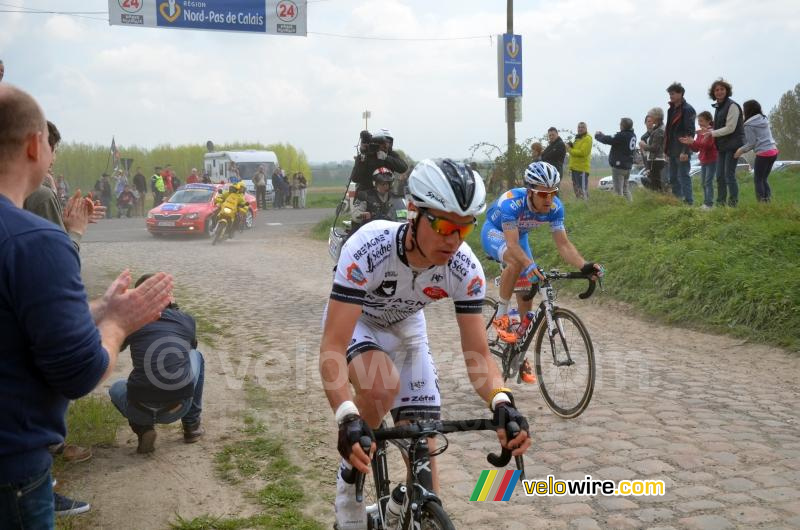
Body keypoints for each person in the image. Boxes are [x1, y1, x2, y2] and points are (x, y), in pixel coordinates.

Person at [321, 159, 531, 530]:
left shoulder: (464, 268)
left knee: (424, 455)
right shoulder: (369, 247)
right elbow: (333, 347)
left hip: (406, 327)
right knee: (381, 386)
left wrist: (501, 401)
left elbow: (479, 356)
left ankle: (405, 507)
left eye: (465, 228)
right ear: (414, 211)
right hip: (360, 322)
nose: (454, 240)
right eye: (445, 226)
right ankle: (349, 478)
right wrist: (347, 417)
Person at [0, 83, 173, 528]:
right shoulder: (35, 239)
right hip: (11, 467)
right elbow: (78, 372)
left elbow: (16, 319)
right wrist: (117, 324)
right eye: (50, 145)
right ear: (34, 145)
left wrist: (95, 309)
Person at [480, 161, 603, 377]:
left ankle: (518, 353)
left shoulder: (555, 207)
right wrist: (529, 264)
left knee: (527, 294)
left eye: (553, 192)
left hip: (520, 236)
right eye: (543, 194)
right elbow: (512, 245)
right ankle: (501, 316)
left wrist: (583, 265)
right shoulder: (512, 203)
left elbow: (563, 244)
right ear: (530, 192)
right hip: (496, 233)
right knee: (517, 262)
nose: (549, 199)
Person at [109, 275, 204, 453]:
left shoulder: (133, 321)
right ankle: (192, 426)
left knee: (116, 387)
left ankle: (144, 429)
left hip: (138, 408)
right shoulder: (185, 319)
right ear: (168, 297)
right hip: (178, 407)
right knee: (196, 355)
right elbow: (192, 346)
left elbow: (116, 348)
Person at [705, 78, 744, 207]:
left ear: (727, 91)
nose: (719, 92)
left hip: (733, 145)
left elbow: (730, 128)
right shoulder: (718, 107)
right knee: (719, 176)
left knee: (728, 175)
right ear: (713, 93)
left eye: (722, 89)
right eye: (716, 90)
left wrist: (712, 133)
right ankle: (720, 204)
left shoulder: (732, 106)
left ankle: (733, 204)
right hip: (722, 146)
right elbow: (719, 127)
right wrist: (710, 131)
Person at [735, 100, 779, 202]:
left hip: (763, 154)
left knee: (758, 180)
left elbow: (751, 143)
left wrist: (740, 151)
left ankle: (761, 203)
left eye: (744, 109)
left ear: (748, 110)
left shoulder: (748, 125)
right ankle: (768, 201)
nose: (743, 111)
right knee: (764, 178)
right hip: (773, 151)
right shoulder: (764, 119)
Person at [664, 82, 697, 205]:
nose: (670, 96)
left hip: (682, 149)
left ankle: (688, 202)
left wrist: (685, 151)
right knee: (672, 178)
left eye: (673, 93)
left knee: (683, 176)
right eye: (670, 94)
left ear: (680, 93)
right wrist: (666, 150)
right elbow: (668, 131)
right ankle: (677, 202)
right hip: (672, 149)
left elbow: (690, 131)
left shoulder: (688, 109)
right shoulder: (671, 109)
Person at [350, 129, 408, 194]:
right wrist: (363, 157)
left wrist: (386, 158)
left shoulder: (391, 154)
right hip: (366, 193)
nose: (386, 145)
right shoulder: (366, 155)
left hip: (386, 194)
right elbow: (355, 178)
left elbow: (403, 167)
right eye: (382, 142)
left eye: (388, 142)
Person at [680, 111, 718, 209]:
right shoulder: (700, 132)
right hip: (703, 160)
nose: (699, 123)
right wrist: (690, 143)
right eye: (699, 121)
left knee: (708, 182)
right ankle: (706, 203)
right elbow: (697, 149)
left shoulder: (711, 131)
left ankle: (709, 204)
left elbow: (707, 146)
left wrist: (693, 142)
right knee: (704, 182)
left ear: (708, 121)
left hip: (712, 159)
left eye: (701, 121)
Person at [595, 118, 637, 202]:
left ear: (623, 125)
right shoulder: (632, 135)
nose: (619, 125)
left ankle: (620, 207)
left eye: (620, 124)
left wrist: (598, 136)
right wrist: (604, 135)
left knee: (618, 191)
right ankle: (631, 205)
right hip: (627, 166)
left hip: (619, 167)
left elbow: (609, 140)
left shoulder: (622, 135)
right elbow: (614, 139)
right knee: (625, 189)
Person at [350, 167, 397, 231]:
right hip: (369, 230)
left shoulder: (394, 197)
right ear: (375, 183)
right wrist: (363, 215)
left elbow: (401, 209)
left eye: (386, 183)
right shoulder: (365, 195)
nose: (384, 186)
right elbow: (356, 214)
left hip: (390, 228)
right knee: (352, 235)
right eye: (381, 183)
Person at [639, 108, 667, 192]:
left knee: (656, 185)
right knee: (656, 183)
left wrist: (643, 145)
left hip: (656, 160)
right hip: (656, 159)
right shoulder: (659, 128)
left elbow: (654, 148)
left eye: (651, 116)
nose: (650, 119)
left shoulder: (659, 130)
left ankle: (660, 198)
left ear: (656, 117)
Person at [566, 122, 592, 199]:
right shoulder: (578, 138)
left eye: (582, 127)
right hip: (574, 168)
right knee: (577, 191)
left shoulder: (587, 139)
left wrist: (569, 149)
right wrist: (570, 145)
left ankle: (586, 204)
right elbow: (575, 149)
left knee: (583, 190)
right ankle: (579, 204)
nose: (580, 129)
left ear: (586, 129)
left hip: (582, 169)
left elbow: (582, 153)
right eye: (579, 127)